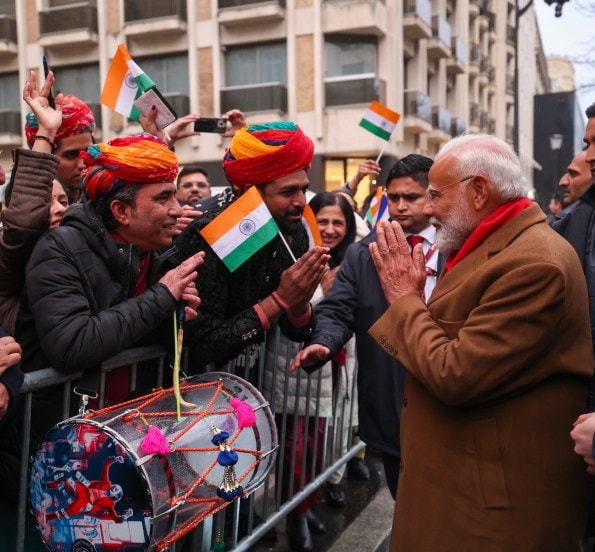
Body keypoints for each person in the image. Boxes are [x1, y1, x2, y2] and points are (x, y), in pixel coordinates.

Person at [367, 133, 592, 551]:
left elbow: (456, 374)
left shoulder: (533, 263)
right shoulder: (489, 245)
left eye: (435, 195)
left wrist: (404, 300)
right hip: (462, 490)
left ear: (477, 191)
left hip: (493, 510)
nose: (428, 208)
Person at [0, 133, 203, 507]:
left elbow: (133, 328)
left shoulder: (154, 251)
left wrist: (175, 317)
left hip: (119, 439)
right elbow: (72, 344)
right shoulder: (60, 248)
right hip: (56, 451)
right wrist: (162, 297)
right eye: (162, 198)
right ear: (121, 213)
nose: (177, 209)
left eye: (174, 195)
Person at [291, 154, 438, 501]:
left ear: (433, 196)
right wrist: (324, 341)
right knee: (407, 507)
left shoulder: (458, 246)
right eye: (393, 197)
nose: (399, 207)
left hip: (448, 404)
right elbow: (338, 308)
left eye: (411, 197)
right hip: (390, 408)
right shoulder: (364, 252)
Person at [172, 122, 330, 372]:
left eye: (304, 189)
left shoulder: (294, 231)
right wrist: (279, 300)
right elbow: (200, 345)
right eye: (289, 192)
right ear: (249, 191)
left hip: (253, 391)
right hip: (192, 393)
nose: (301, 202)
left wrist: (299, 305)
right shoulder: (210, 237)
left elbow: (297, 330)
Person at [263, 192, 356, 552]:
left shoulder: (352, 261)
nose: (330, 230)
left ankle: (304, 506)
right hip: (289, 370)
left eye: (338, 223)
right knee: (291, 449)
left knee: (317, 447)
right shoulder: (292, 254)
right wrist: (318, 296)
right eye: (323, 221)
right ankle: (291, 514)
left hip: (330, 373)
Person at [23, 83, 95, 204]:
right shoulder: (34, 212)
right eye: (71, 155)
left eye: (88, 152)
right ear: (48, 158)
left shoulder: (104, 205)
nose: (83, 164)